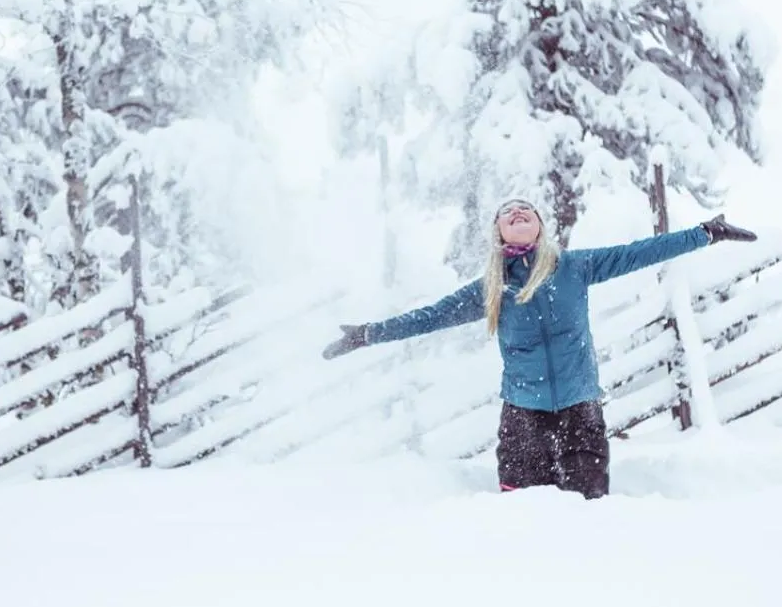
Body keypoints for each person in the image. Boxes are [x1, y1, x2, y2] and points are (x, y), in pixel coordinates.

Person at [322, 198, 758, 498]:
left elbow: (640, 252)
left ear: (540, 226)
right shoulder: (493, 288)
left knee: (589, 513)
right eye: (508, 212)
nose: (517, 212)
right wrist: (367, 334)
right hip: (523, 418)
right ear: (498, 231)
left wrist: (706, 232)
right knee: (521, 518)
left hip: (579, 409)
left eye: (525, 209)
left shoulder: (574, 267)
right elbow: (430, 316)